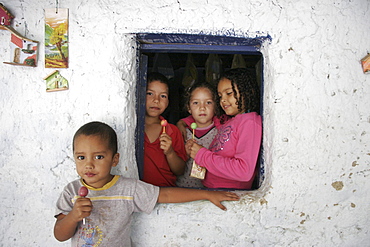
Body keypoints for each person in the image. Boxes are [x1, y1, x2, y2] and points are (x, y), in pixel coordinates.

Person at [54, 121, 240, 246]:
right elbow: (60, 235)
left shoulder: (128, 189)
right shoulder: (72, 192)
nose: (89, 164)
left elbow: (165, 194)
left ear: (115, 159)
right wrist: (73, 216)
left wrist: (208, 194)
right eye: (81, 157)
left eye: (99, 156)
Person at [185, 68, 262, 190]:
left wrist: (202, 154)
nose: (223, 100)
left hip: (229, 193)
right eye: (220, 96)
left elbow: (244, 171)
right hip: (213, 190)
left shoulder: (250, 122)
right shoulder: (230, 121)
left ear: (248, 91)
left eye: (229, 93)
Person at [143, 72, 187, 187]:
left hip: (165, 192)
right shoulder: (133, 128)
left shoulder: (173, 131)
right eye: (150, 93)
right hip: (138, 193)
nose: (156, 100)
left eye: (163, 96)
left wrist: (170, 152)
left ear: (167, 102)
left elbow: (180, 170)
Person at [176, 82, 218, 188]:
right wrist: (185, 153)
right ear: (188, 108)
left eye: (208, 102)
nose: (202, 108)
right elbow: (176, 165)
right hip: (183, 188)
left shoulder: (220, 133)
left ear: (215, 106)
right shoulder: (183, 133)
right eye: (196, 103)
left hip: (210, 191)